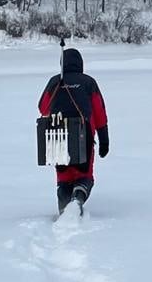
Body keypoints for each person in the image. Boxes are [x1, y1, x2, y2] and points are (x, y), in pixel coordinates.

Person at [38, 47, 109, 215]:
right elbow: (99, 112)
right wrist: (104, 139)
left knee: (64, 179)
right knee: (84, 176)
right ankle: (77, 200)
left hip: (57, 137)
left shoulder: (55, 81)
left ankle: (64, 210)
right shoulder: (88, 82)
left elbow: (42, 107)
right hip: (83, 136)